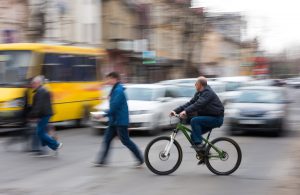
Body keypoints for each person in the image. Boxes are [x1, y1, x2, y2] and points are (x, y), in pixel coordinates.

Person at [93, 72, 144, 167]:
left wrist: (103, 114)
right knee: (107, 140)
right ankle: (102, 160)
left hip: (120, 121)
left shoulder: (118, 91)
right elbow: (113, 105)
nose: (108, 81)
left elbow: (114, 107)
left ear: (115, 79)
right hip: (114, 121)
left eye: (109, 79)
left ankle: (140, 158)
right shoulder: (115, 89)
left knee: (126, 141)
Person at [170, 76, 224, 153]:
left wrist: (185, 112)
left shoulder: (208, 93)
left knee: (195, 121)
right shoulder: (199, 93)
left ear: (200, 84)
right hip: (209, 117)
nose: (194, 84)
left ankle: (200, 145)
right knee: (193, 136)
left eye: (196, 83)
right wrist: (175, 111)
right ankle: (204, 155)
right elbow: (190, 103)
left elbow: (199, 104)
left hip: (216, 118)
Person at [28, 75, 62, 156]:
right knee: (42, 132)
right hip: (45, 114)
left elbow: (38, 106)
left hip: (44, 114)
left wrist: (34, 116)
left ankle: (55, 145)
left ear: (38, 83)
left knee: (40, 132)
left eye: (34, 83)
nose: (32, 85)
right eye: (32, 83)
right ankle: (49, 147)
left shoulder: (40, 91)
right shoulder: (41, 90)